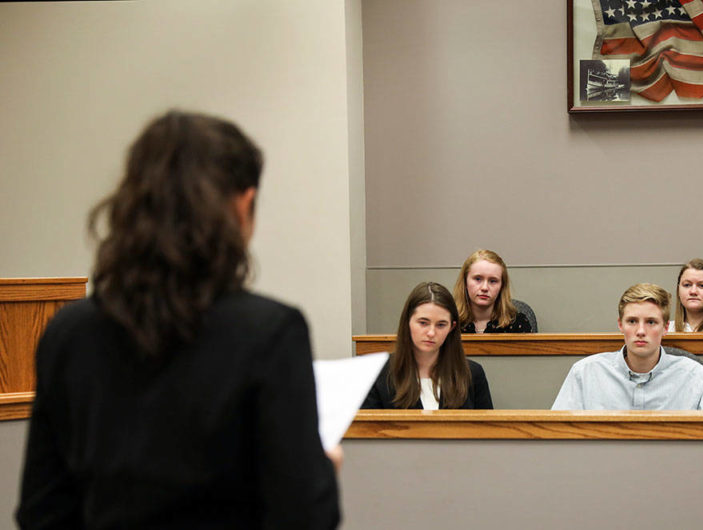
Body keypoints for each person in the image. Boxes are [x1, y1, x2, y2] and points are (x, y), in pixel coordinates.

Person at [16, 111, 341, 528]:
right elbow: (301, 516)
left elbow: (43, 513)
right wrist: (323, 478)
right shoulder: (269, 333)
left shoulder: (68, 333)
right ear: (242, 206)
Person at [551, 283, 703, 410]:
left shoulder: (695, 377)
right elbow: (558, 437)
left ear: (665, 328)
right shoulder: (584, 373)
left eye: (651, 322)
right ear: (620, 325)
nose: (641, 331)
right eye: (632, 321)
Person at [363, 282, 493, 409]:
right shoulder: (376, 373)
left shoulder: (472, 374)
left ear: (451, 327)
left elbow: (487, 430)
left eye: (441, 325)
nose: (431, 333)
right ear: (407, 321)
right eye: (423, 323)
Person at [454, 249, 533, 333]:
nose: (484, 288)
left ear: (502, 286)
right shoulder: (449, 323)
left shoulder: (518, 323)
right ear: (465, 282)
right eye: (478, 279)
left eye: (493, 281)